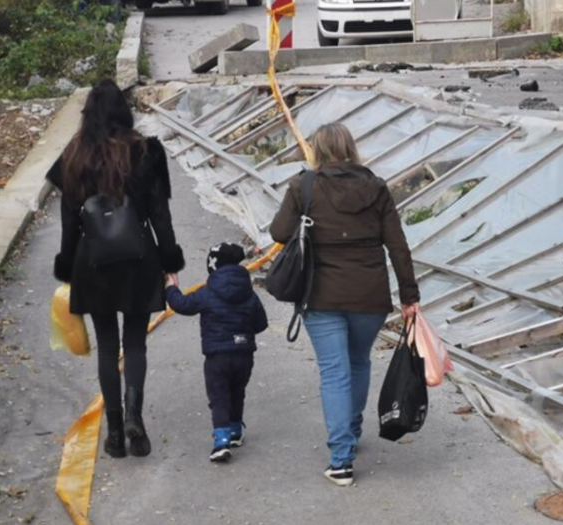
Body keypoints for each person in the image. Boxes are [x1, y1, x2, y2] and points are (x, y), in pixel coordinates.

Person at [269, 123, 421, 487]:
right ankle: (350, 432)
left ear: (317, 150)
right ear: (351, 148)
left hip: (320, 295)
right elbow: (397, 246)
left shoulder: (302, 186)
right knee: (357, 362)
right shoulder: (377, 187)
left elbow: (278, 232)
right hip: (370, 295)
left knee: (334, 372)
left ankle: (341, 459)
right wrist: (409, 297)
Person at [47, 79, 185, 459]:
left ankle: (113, 429)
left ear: (88, 114)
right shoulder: (145, 151)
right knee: (135, 342)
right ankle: (135, 418)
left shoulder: (74, 155)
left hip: (93, 262)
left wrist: (68, 265)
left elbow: (68, 220)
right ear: (124, 113)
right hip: (139, 259)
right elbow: (160, 213)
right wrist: (170, 260)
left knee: (108, 347)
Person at [164, 243, 269, 463]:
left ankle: (221, 441)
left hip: (217, 356)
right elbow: (261, 323)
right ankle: (235, 431)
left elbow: (182, 305)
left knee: (219, 396)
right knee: (237, 392)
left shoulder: (208, 292)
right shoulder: (249, 293)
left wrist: (171, 288)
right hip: (244, 354)